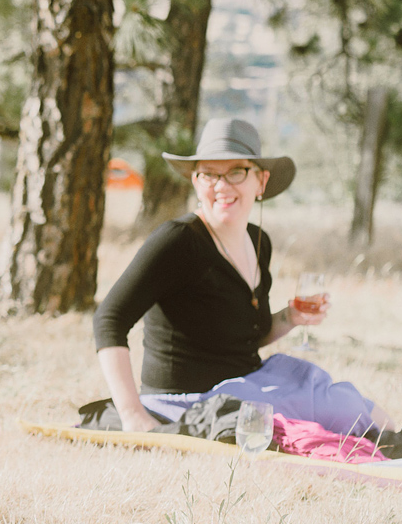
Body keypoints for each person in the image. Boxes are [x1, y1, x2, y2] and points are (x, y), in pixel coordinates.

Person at [93, 119, 337, 434]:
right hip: (188, 401)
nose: (221, 186)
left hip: (246, 386)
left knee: (333, 396)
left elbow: (243, 339)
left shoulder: (258, 241)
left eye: (236, 171)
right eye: (209, 174)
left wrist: (290, 317)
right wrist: (132, 415)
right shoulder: (177, 240)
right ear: (196, 181)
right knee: (314, 419)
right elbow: (108, 320)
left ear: (260, 182)